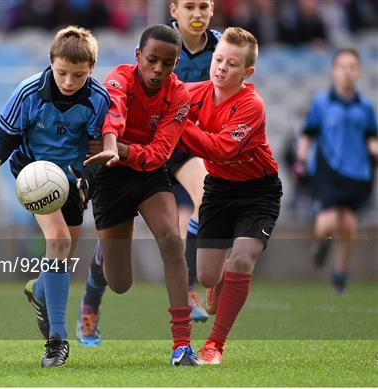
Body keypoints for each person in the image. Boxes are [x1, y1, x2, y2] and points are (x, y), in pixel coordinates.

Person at [76, 0, 220, 348]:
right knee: (121, 282)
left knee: (172, 239)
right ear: (138, 55)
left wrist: (122, 150)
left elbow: (159, 153)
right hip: (111, 177)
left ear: (176, 65)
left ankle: (182, 344)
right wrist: (113, 145)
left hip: (150, 174)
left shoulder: (180, 95)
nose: (158, 69)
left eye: (167, 64)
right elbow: (114, 116)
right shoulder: (119, 78)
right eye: (152, 60)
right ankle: (93, 292)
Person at [0, 26, 110, 367]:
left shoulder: (97, 99)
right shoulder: (28, 92)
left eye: (78, 75)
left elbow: (97, 146)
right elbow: (6, 139)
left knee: (63, 260)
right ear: (51, 62)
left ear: (91, 69)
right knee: (59, 238)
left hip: (73, 179)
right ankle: (56, 340)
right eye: (62, 72)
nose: (68, 81)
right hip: (33, 174)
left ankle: (39, 292)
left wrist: (89, 176)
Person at [179, 27, 282, 364]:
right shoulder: (194, 94)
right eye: (218, 59)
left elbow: (222, 149)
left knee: (241, 259)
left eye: (232, 64)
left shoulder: (252, 105)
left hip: (258, 191)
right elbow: (163, 99)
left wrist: (180, 123)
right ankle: (221, 277)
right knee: (208, 275)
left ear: (247, 72)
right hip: (219, 190)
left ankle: (214, 345)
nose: (221, 67)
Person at [295, 48, 377, 294]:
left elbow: (371, 138)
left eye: (352, 66)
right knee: (327, 223)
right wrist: (301, 158)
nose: (347, 71)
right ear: (333, 71)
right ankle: (322, 242)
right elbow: (308, 134)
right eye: (343, 66)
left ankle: (339, 276)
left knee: (349, 225)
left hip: (358, 173)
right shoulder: (321, 102)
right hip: (328, 170)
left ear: (359, 72)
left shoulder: (365, 106)